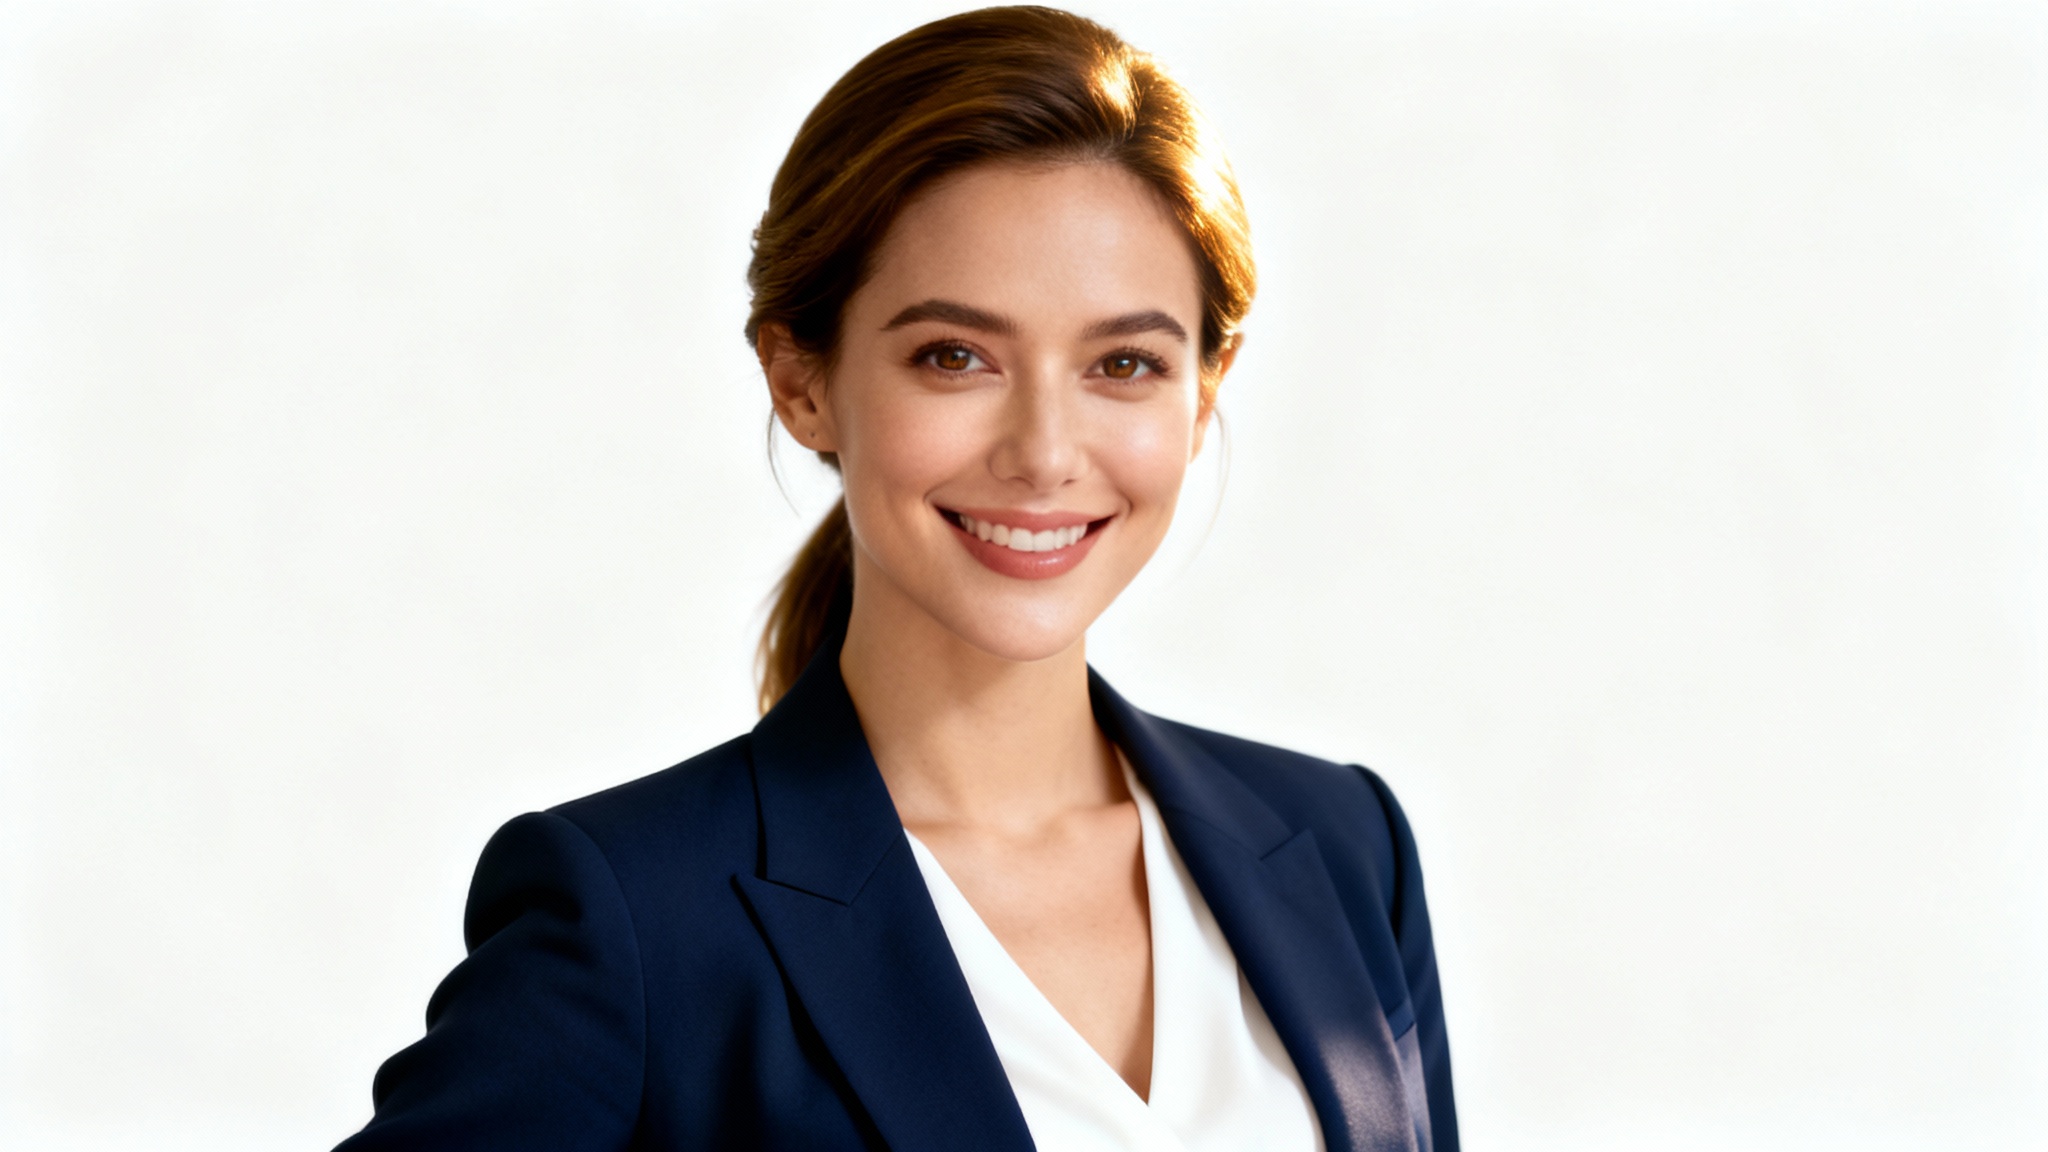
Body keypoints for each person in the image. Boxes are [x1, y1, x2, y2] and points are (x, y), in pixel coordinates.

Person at [335, 7, 1455, 1151]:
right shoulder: (633, 917)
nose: (1044, 453)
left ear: (1203, 390)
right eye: (954, 356)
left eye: (1123, 363)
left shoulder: (1341, 846)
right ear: (801, 380)